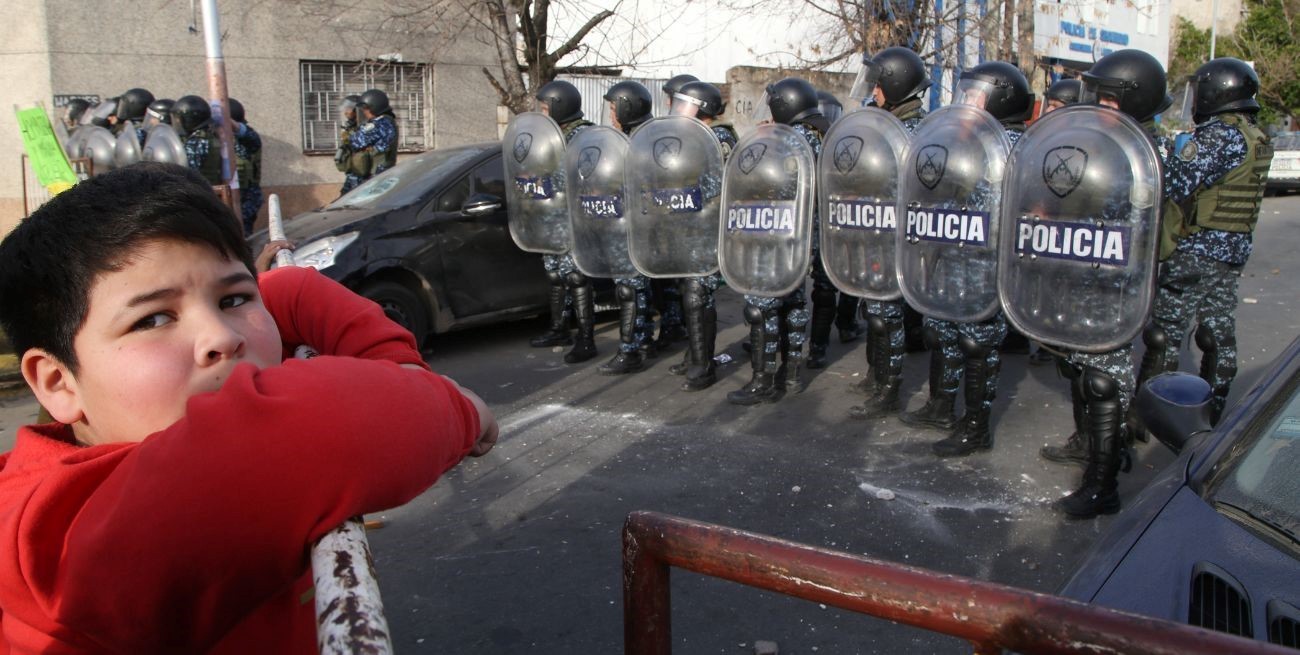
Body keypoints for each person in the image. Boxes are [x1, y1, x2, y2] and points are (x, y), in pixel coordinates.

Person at [0, 162, 498, 653]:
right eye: (152, 319)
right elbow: (348, 421)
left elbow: (288, 289)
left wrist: (399, 366)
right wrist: (454, 406)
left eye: (233, 299)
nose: (221, 336)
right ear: (58, 382)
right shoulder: (62, 539)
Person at [1039, 49, 1178, 518]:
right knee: (1080, 370)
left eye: (1106, 96)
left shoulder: (1148, 155)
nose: (1097, 103)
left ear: (1131, 100)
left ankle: (1102, 487)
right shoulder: (1114, 143)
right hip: (1087, 279)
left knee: (1103, 380)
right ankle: (1097, 448)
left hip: (1117, 286)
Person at [1136, 57, 1272, 428]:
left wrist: (1152, 143)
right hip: (1230, 254)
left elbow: (1177, 182)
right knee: (1217, 334)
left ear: (1217, 93)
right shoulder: (1254, 135)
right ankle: (1212, 416)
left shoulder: (1218, 136)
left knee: (1164, 334)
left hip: (1197, 251)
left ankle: (1146, 417)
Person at [905, 61, 1032, 457]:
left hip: (986, 263)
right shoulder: (971, 140)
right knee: (942, 330)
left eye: (975, 94)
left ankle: (975, 428)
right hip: (954, 255)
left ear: (998, 98)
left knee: (977, 344)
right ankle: (941, 405)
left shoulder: (1011, 145)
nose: (965, 101)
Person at [849, 46, 932, 420]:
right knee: (875, 309)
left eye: (879, 85)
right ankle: (876, 373)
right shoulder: (887, 120)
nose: (874, 92)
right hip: (877, 229)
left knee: (887, 314)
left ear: (896, 86)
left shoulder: (913, 129)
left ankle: (889, 388)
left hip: (897, 234)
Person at [728, 77, 821, 404]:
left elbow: (762, 184)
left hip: (772, 233)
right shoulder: (816, 136)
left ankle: (762, 380)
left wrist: (767, 141)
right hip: (799, 240)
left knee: (761, 307)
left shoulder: (786, 142)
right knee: (794, 303)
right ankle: (792, 374)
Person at [664, 81, 736, 390]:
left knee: (697, 293)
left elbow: (713, 188)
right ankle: (695, 354)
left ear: (701, 109)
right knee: (688, 291)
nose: (677, 111)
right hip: (690, 230)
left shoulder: (716, 138)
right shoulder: (694, 136)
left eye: (684, 105)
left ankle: (703, 366)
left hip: (709, 230)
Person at [530, 80, 599, 364]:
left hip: (574, 220)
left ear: (560, 106)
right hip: (553, 219)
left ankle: (586, 339)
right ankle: (559, 329)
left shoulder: (583, 136)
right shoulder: (552, 132)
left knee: (576, 277)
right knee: (555, 275)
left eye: (546, 108)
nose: (543, 114)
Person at [599, 80, 659, 375]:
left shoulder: (639, 140)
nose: (611, 115)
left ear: (627, 107)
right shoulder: (641, 135)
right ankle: (643, 340)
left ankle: (630, 350)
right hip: (635, 227)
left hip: (633, 228)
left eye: (614, 108)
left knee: (629, 290)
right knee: (638, 288)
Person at [228, 98, 264, 234]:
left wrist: (226, 120)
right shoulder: (220, 139)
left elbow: (242, 132)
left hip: (247, 199)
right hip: (230, 199)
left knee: (243, 236)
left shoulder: (249, 137)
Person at [171, 94, 222, 185]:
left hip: (199, 192)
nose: (176, 123)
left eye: (178, 119)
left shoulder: (197, 142)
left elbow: (186, 171)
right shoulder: (207, 136)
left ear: (190, 119)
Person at [349, 88, 399, 178]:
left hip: (379, 175)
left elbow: (356, 142)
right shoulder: (386, 121)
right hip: (380, 173)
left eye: (366, 108)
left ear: (375, 107)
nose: (364, 111)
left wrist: (354, 129)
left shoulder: (381, 123)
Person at [335, 95, 371, 196]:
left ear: (357, 110)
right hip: (353, 170)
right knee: (344, 197)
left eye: (348, 108)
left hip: (362, 172)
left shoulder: (365, 126)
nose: (346, 112)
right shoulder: (351, 126)